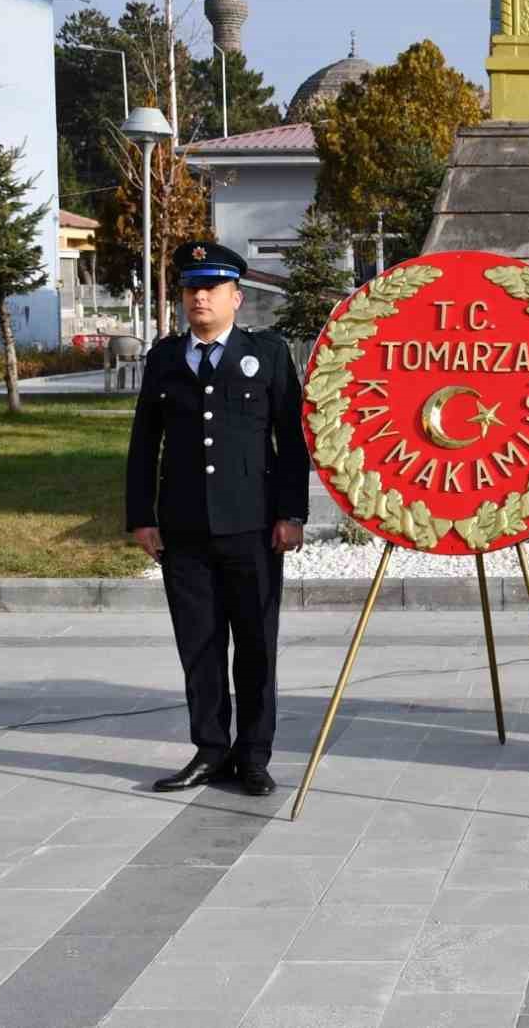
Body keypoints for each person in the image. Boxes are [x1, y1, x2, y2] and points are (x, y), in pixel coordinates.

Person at [126, 242, 309, 797]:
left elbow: (292, 441)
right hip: (183, 529)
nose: (199, 297)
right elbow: (144, 444)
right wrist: (142, 517)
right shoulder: (163, 358)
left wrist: (291, 512)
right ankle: (209, 751)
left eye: (210, 288)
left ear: (236, 296)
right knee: (199, 647)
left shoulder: (269, 353)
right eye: (190, 288)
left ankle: (253, 756)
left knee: (255, 645)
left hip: (252, 527)